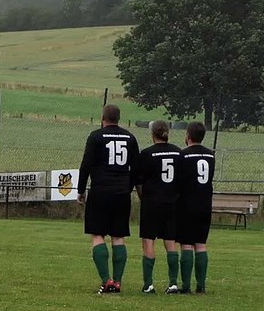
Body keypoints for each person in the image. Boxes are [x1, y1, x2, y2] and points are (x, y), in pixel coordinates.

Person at [77, 104, 140, 294]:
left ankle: (107, 281)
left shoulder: (96, 136)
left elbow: (86, 165)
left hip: (100, 191)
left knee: (97, 235)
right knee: (118, 237)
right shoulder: (130, 137)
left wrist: (80, 190)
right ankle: (118, 281)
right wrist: (128, 188)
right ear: (119, 118)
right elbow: (136, 169)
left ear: (102, 117)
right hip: (121, 194)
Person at [133, 120, 181, 294]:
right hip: (172, 202)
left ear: (152, 134)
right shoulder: (178, 153)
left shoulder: (146, 154)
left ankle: (148, 284)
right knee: (170, 242)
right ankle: (174, 283)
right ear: (168, 133)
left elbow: (138, 180)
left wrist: (142, 196)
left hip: (152, 202)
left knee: (148, 241)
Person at [177, 121, 214, 294]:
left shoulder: (182, 155)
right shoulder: (210, 156)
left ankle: (185, 286)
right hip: (205, 204)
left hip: (186, 204)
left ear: (188, 136)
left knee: (186, 245)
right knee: (201, 244)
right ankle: (201, 286)